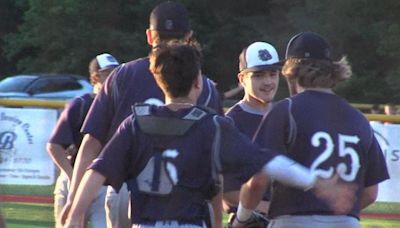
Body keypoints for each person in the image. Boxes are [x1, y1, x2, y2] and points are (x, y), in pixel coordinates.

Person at [63, 43, 354, 228]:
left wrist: (76, 212)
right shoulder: (212, 126)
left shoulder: (135, 123)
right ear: (198, 82)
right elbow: (267, 162)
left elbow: (96, 170)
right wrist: (316, 182)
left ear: (158, 80)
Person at [60, 2, 223, 228]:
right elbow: (216, 165)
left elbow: (91, 143)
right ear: (189, 38)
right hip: (185, 200)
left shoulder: (122, 75)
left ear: (149, 36)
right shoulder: (202, 85)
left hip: (126, 191)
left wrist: (75, 198)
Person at [233, 32, 390, 228]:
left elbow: (257, 181)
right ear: (331, 70)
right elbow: (370, 193)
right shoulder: (358, 118)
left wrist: (241, 218)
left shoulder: (286, 110)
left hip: (294, 221)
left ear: (291, 71)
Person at [47, 53, 120, 228]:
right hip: (75, 179)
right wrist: (73, 178)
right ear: (95, 77)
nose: (114, 77)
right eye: (108, 73)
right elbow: (54, 146)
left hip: (105, 184)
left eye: (116, 72)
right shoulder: (80, 104)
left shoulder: (120, 106)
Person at [223, 42, 282, 217]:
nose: (268, 82)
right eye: (258, 75)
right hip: (249, 221)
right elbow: (226, 191)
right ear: (242, 79)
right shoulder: (230, 123)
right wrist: (274, 209)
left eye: (273, 74)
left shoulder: (286, 115)